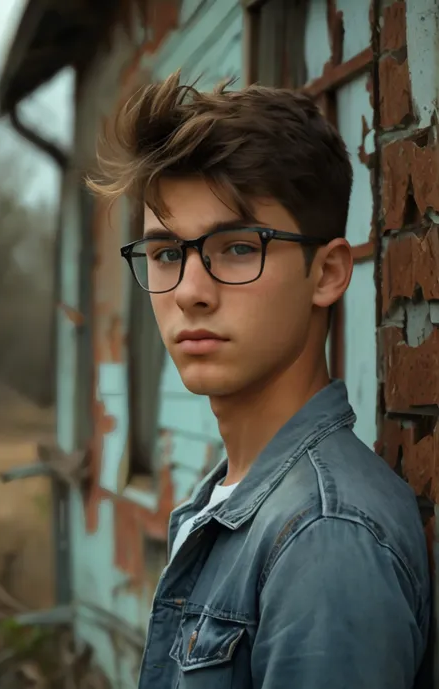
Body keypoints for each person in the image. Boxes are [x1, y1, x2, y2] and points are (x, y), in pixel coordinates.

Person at [89, 71, 430, 689]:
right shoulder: (232, 500)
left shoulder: (325, 538)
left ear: (327, 273)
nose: (190, 291)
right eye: (167, 254)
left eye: (238, 247)